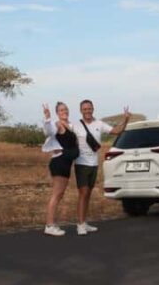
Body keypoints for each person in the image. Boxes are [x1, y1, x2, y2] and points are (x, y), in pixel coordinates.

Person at [73, 99, 131, 235]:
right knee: (83, 193)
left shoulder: (99, 124)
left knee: (88, 194)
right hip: (81, 163)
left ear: (93, 109)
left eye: (89, 108)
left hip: (94, 163)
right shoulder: (75, 125)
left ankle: (84, 222)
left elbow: (116, 131)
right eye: (85, 109)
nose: (87, 111)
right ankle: (80, 224)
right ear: (81, 110)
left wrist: (126, 119)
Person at [41, 102, 79, 237]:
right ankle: (49, 225)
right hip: (60, 162)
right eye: (61, 110)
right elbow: (49, 131)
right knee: (56, 194)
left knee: (60, 194)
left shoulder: (69, 126)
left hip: (66, 163)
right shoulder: (58, 124)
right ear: (57, 112)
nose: (64, 111)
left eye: (66, 109)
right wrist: (47, 118)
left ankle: (51, 224)